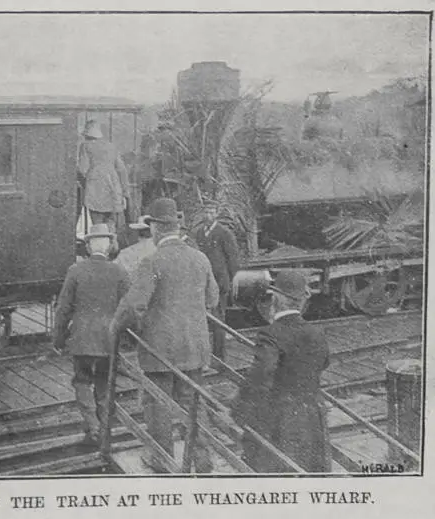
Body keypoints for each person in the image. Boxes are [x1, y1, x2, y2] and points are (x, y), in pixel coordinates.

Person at [110, 198, 219, 473]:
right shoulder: (200, 258)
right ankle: (203, 461)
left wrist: (115, 328)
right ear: (177, 227)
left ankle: (161, 460)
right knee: (194, 404)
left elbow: (134, 305)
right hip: (194, 347)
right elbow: (213, 298)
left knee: (158, 406)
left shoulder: (152, 262)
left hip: (160, 351)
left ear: (156, 228)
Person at [231, 270, 331, 473]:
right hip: (312, 419)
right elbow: (324, 363)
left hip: (279, 422)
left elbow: (262, 375)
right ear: (302, 302)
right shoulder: (317, 332)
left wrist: (240, 409)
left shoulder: (270, 334)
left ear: (275, 299)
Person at [52, 223, 130, 445]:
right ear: (109, 247)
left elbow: (63, 308)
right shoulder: (120, 272)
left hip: (82, 338)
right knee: (104, 384)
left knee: (82, 381)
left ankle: (93, 426)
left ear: (87, 246)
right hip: (108, 340)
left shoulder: (75, 270)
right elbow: (128, 308)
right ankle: (103, 428)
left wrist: (58, 339)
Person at [189, 200, 240, 366]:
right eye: (206, 212)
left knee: (218, 319)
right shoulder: (198, 233)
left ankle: (219, 358)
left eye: (211, 212)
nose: (208, 215)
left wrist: (231, 280)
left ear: (217, 213)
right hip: (202, 281)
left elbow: (232, 259)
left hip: (219, 282)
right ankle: (202, 356)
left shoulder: (224, 233)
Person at [78, 120, 129, 234]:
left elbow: (83, 169)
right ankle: (112, 247)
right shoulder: (111, 146)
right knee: (111, 224)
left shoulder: (85, 146)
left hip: (96, 189)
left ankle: (100, 248)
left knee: (98, 225)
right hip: (114, 189)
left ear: (87, 134)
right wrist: (125, 192)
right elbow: (121, 169)